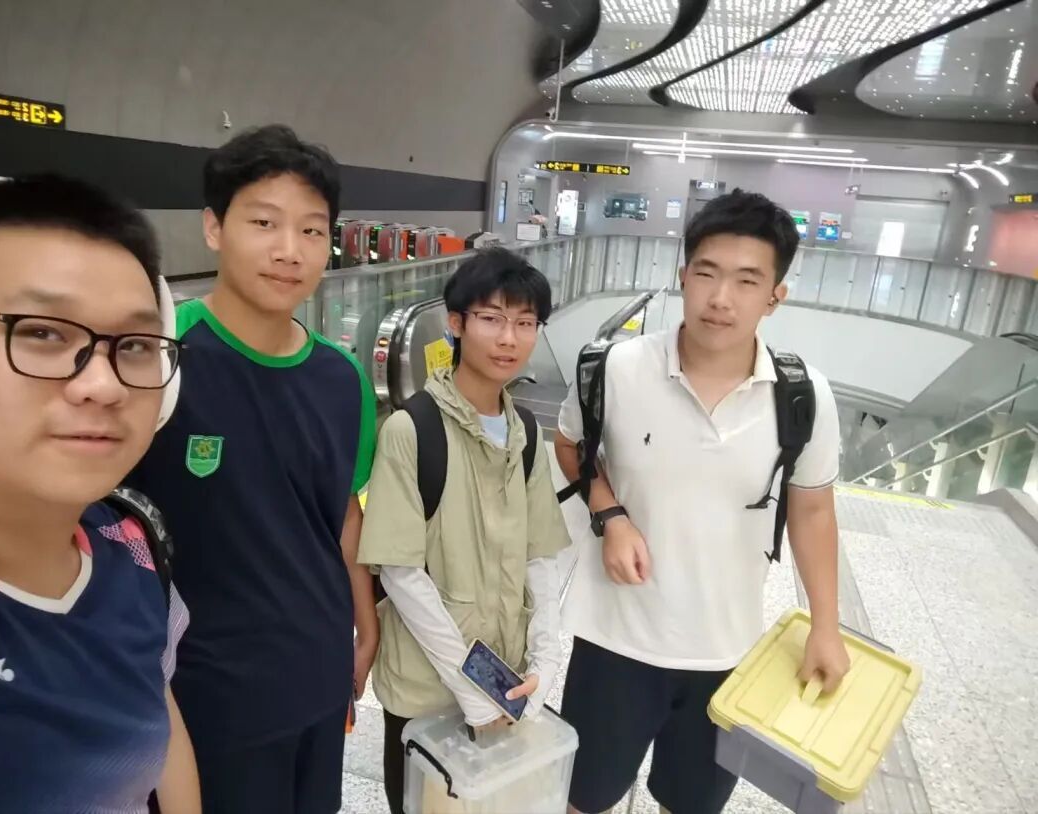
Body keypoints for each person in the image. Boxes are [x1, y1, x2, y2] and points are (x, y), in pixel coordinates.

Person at [554, 189, 850, 814]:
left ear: (775, 296)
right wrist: (610, 515)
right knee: (582, 799)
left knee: (691, 804)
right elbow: (571, 445)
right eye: (708, 273)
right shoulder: (615, 368)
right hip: (614, 641)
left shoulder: (804, 396)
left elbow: (813, 511)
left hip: (727, 651)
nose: (721, 298)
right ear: (683, 275)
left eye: (748, 281)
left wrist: (826, 627)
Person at [124, 125, 377, 814]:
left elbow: (343, 513)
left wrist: (365, 624)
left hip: (317, 675)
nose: (289, 250)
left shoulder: (343, 378)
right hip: (203, 694)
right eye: (264, 223)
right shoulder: (159, 359)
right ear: (214, 227)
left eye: (311, 230)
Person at [0, 175, 199, 811]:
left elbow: (158, 723)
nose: (104, 384)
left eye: (136, 345)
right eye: (42, 333)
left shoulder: (132, 545)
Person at [358, 247, 571, 814]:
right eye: (492, 319)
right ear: (455, 323)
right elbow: (401, 573)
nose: (509, 338)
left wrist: (545, 660)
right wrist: (470, 687)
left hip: (506, 677)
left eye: (525, 323)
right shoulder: (411, 430)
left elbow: (541, 556)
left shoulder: (527, 431)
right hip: (428, 688)